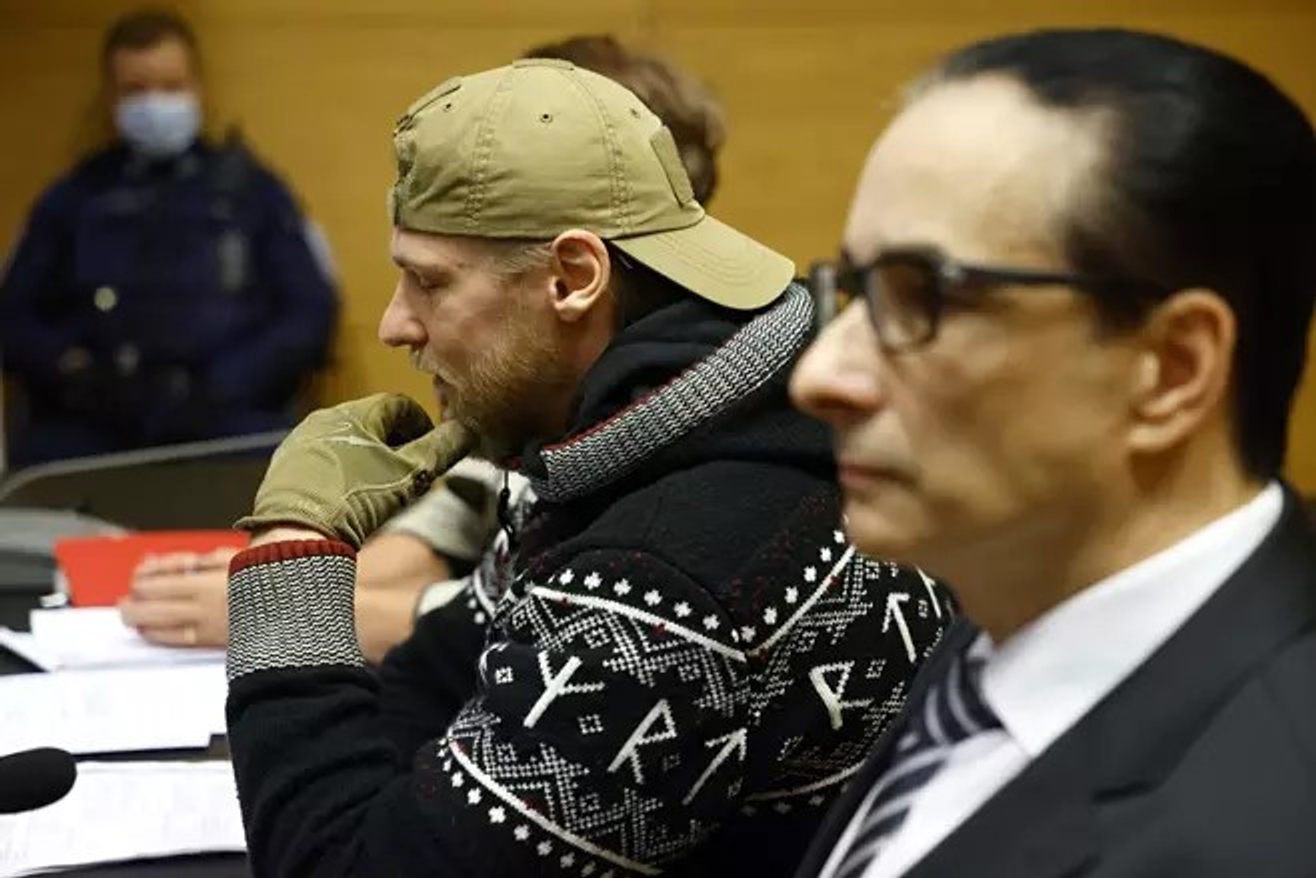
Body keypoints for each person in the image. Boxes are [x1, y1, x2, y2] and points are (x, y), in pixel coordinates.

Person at [221, 60, 952, 877]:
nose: (396, 324)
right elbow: (434, 678)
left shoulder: (666, 582)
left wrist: (292, 550)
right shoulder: (641, 439)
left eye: (428, 282)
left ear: (573, 279)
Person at [789, 28, 1316, 878]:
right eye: (855, 291)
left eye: (925, 299)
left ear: (1171, 369)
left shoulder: (1261, 831)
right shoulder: (1016, 591)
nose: (819, 377)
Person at [120, 34, 728, 663]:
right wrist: (299, 571)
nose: (397, 325)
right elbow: (464, 519)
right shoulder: (550, 387)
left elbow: (516, 623)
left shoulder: (672, 425)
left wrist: (288, 606)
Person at [0, 8, 338, 467]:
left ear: (196, 88)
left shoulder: (252, 192)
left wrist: (225, 383)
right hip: (95, 423)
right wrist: (76, 373)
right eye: (136, 90)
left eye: (171, 86)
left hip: (226, 417)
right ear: (111, 97)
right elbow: (13, 318)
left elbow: (310, 314)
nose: (154, 104)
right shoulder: (75, 197)